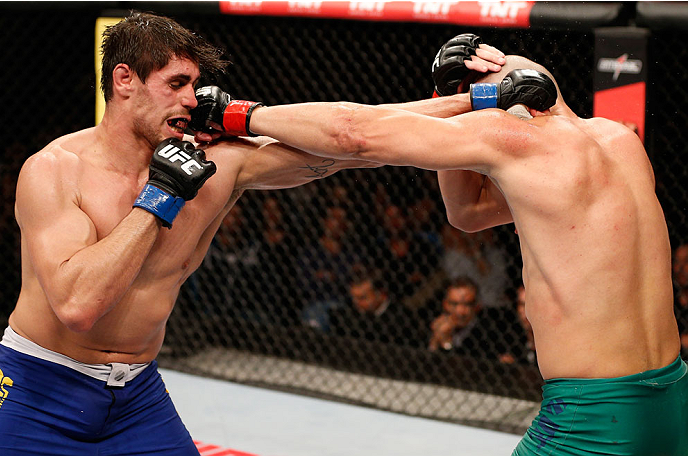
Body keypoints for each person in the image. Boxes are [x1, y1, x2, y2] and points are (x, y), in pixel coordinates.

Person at [196, 33, 688, 455]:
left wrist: (241, 114)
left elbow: (353, 133)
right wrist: (450, 95)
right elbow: (467, 214)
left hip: (595, 416)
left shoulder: (514, 134)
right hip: (672, 396)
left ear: (502, 100)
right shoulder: (620, 141)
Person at [0, 11, 390, 455]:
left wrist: (460, 102)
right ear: (125, 79)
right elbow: (78, 305)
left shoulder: (209, 164)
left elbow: (356, 143)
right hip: (39, 393)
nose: (192, 99)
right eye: (177, 83)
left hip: (137, 398)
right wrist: (160, 197)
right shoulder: (55, 169)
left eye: (195, 85)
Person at [428, 276, 502, 358]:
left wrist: (446, 342)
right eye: (454, 304)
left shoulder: (487, 333)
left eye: (467, 304)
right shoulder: (433, 323)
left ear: (477, 306)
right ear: (445, 305)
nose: (461, 311)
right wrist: (434, 341)